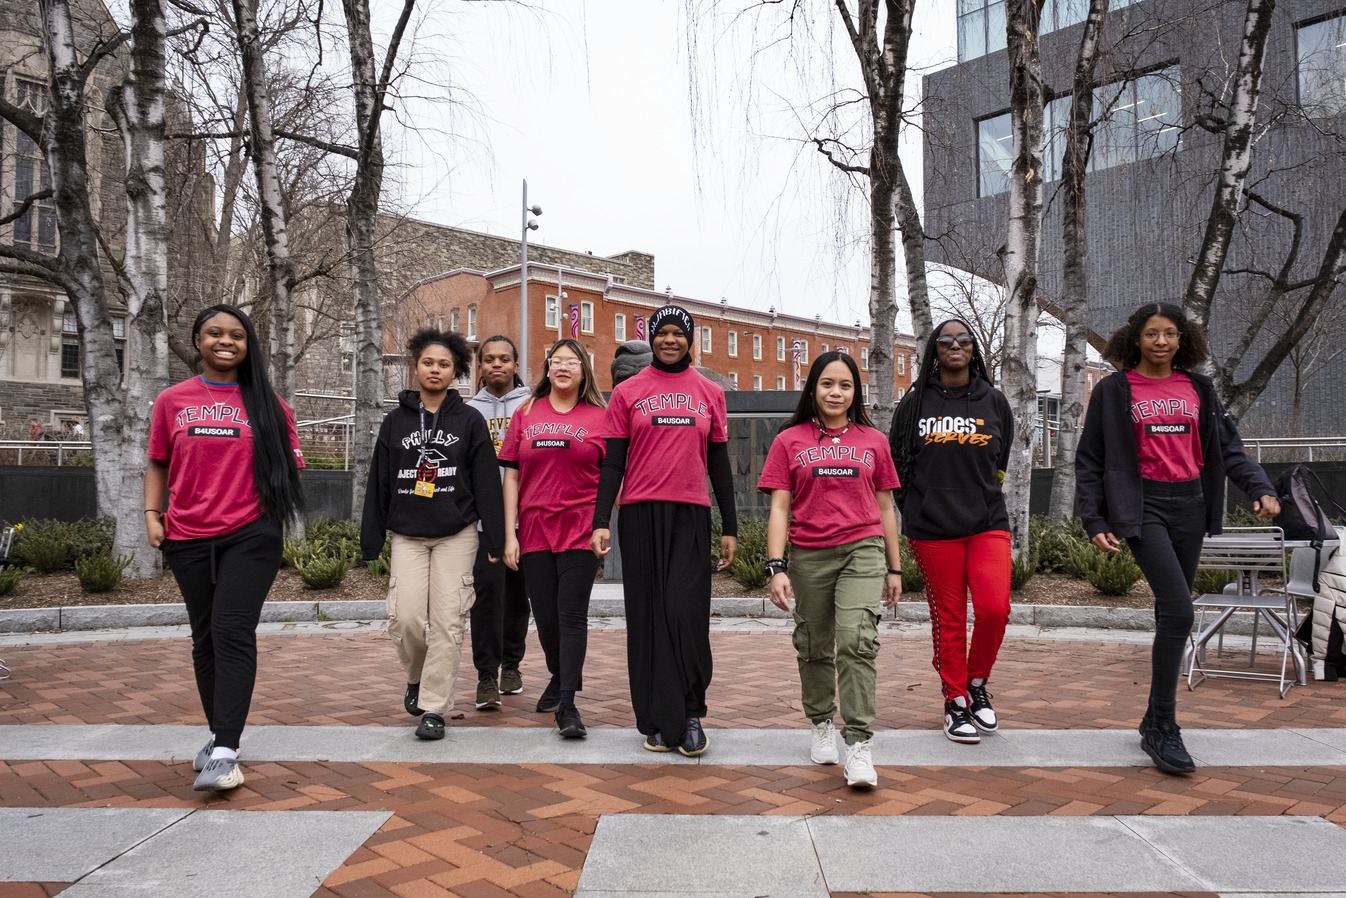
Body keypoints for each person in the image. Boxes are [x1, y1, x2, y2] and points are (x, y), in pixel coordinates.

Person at [1075, 302, 1280, 775]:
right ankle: (1166, 726)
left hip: (1190, 506)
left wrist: (1261, 488)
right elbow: (1089, 462)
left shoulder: (1200, 389)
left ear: (1183, 340)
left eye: (1170, 333)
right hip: (1143, 506)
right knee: (1182, 611)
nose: (1162, 342)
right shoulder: (1113, 390)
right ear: (1136, 339)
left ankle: (1152, 720)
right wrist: (1095, 520)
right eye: (1152, 334)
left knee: (1170, 614)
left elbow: (1229, 449)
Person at [144, 304, 305, 792]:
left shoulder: (270, 405)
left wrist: (266, 516)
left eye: (237, 334)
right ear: (197, 340)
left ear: (247, 343)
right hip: (187, 535)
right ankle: (218, 736)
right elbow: (157, 463)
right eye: (214, 333)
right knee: (204, 638)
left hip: (250, 533)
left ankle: (226, 751)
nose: (226, 341)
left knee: (231, 629)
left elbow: (290, 470)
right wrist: (153, 516)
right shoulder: (172, 401)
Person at [591, 304, 738, 757]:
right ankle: (656, 717)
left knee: (685, 614)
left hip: (690, 515)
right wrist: (600, 520)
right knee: (649, 617)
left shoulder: (710, 392)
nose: (670, 340)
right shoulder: (627, 392)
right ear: (652, 338)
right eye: (662, 333)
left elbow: (718, 464)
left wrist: (729, 527)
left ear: (689, 340)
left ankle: (691, 712)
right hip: (639, 515)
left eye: (679, 333)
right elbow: (614, 460)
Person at [759, 351, 902, 788]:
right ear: (813, 388)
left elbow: (885, 506)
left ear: (855, 392)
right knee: (814, 643)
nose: (835, 392)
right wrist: (776, 566)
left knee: (857, 641)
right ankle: (821, 722)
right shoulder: (790, 440)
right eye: (827, 384)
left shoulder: (873, 440)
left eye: (844, 385)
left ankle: (859, 745)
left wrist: (894, 568)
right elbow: (780, 507)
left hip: (862, 549)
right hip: (808, 554)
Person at [361, 329, 505, 740]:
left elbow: (485, 484)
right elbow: (379, 482)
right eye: (428, 363)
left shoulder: (469, 420)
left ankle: (435, 708)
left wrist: (495, 538)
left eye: (444, 364)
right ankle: (419, 677)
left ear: (456, 370)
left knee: (448, 622)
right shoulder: (395, 421)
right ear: (416, 367)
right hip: (407, 532)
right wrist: (371, 539)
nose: (435, 370)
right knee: (404, 617)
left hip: (456, 533)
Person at [889, 319, 1014, 745]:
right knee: (950, 618)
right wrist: (916, 507)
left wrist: (979, 495)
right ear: (935, 351)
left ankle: (977, 683)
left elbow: (1001, 461)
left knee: (995, 609)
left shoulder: (994, 401)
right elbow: (897, 462)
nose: (955, 346)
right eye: (946, 341)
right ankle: (955, 702)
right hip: (933, 527)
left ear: (973, 349)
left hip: (986, 523)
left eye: (963, 340)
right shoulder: (915, 402)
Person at [500, 339, 607, 738]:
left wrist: (603, 522)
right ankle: (561, 677)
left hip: (581, 528)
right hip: (534, 529)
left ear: (584, 371)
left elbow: (612, 474)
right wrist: (509, 532)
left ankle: (568, 704)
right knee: (544, 619)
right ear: (547, 368)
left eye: (571, 361)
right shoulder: (525, 412)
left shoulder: (602, 416)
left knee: (570, 615)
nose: (562, 367)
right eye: (555, 360)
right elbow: (511, 474)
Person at [466, 335, 533, 710]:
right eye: (489, 359)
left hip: (527, 519)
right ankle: (486, 676)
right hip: (483, 523)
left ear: (515, 364)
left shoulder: (533, 405)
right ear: (480, 365)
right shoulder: (467, 409)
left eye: (504, 359)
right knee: (487, 596)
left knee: (518, 597)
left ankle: (512, 665)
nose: (496, 364)